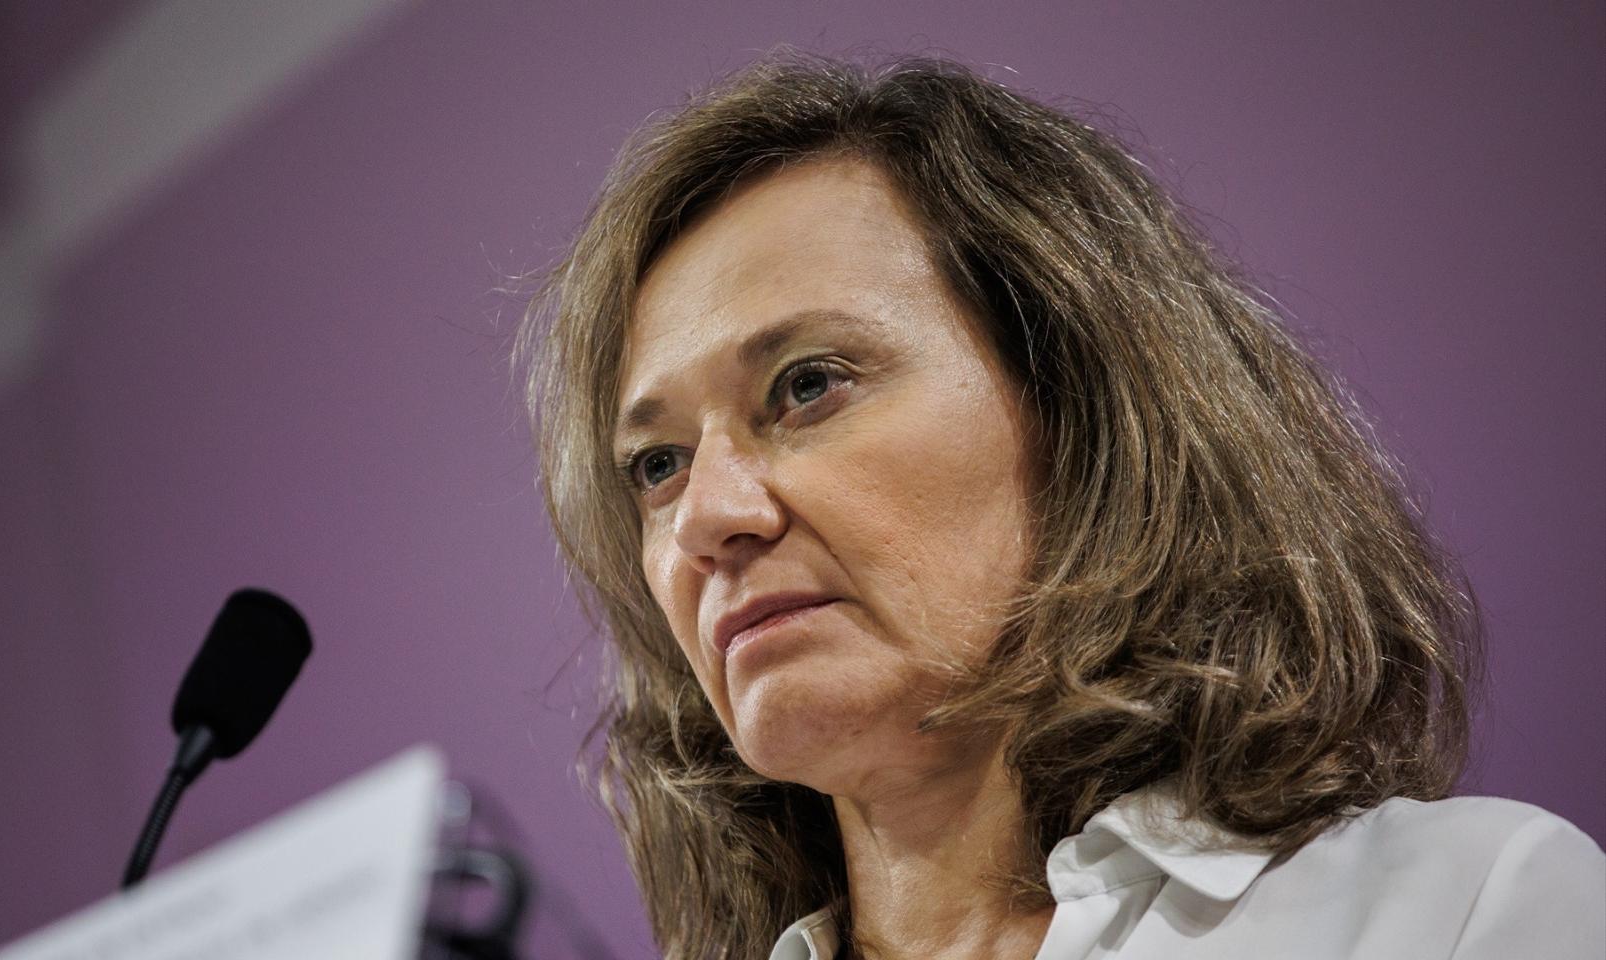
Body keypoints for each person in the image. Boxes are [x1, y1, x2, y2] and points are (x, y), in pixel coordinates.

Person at [516, 53, 1604, 960]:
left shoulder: (1454, 910)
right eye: (656, 465)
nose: (705, 516)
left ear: (1076, 407)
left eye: (806, 386)